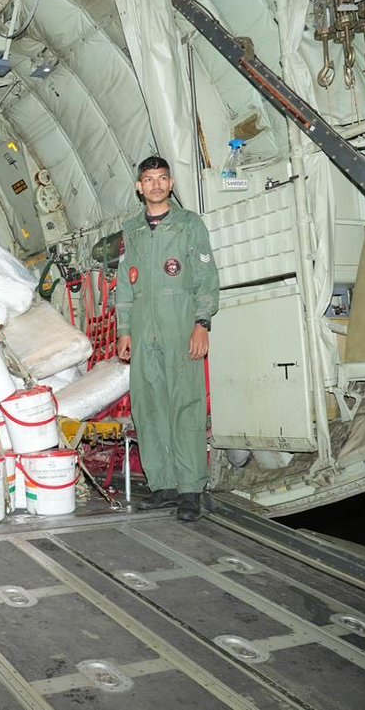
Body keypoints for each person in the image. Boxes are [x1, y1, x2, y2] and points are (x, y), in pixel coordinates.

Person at [115, 155, 219, 521]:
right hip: (144, 328)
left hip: (180, 325)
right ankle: (164, 486)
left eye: (162, 178)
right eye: (149, 179)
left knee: (185, 404)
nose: (156, 185)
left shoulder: (189, 224)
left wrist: (201, 324)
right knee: (149, 406)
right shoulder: (132, 230)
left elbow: (206, 278)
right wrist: (124, 330)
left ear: (171, 184)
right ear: (139, 187)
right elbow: (125, 284)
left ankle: (190, 489)